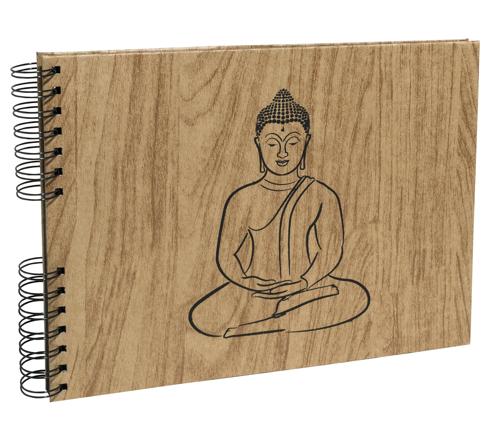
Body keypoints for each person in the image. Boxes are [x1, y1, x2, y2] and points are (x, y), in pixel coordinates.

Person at [189, 89, 370, 338]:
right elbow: (227, 256)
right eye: (272, 143)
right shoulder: (242, 198)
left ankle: (261, 326)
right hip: (258, 293)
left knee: (356, 296)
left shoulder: (321, 194)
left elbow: (330, 251)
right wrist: (247, 282)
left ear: (306, 142)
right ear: (258, 143)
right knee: (204, 316)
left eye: (292, 143)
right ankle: (282, 322)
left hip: (306, 290)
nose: (282, 153)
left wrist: (304, 281)